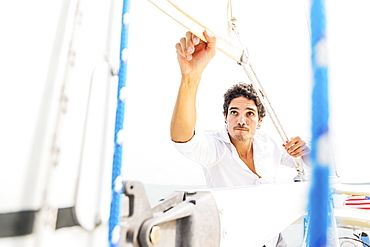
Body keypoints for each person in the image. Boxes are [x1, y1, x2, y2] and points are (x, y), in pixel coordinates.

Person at [170, 30, 310, 247]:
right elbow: (183, 138)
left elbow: (309, 164)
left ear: (260, 120)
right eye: (234, 112)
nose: (241, 120)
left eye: (249, 113)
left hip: (274, 239)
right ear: (225, 117)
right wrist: (190, 77)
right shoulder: (215, 149)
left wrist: (307, 150)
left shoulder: (269, 144)